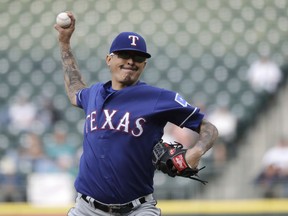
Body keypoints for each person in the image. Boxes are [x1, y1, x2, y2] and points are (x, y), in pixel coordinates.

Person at [54, 12, 218, 216]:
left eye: (138, 58)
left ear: (144, 65)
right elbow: (74, 90)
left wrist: (196, 151)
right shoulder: (94, 94)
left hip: (137, 209)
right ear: (109, 59)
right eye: (124, 55)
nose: (131, 61)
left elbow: (208, 127)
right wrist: (64, 43)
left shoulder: (158, 98)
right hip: (87, 209)